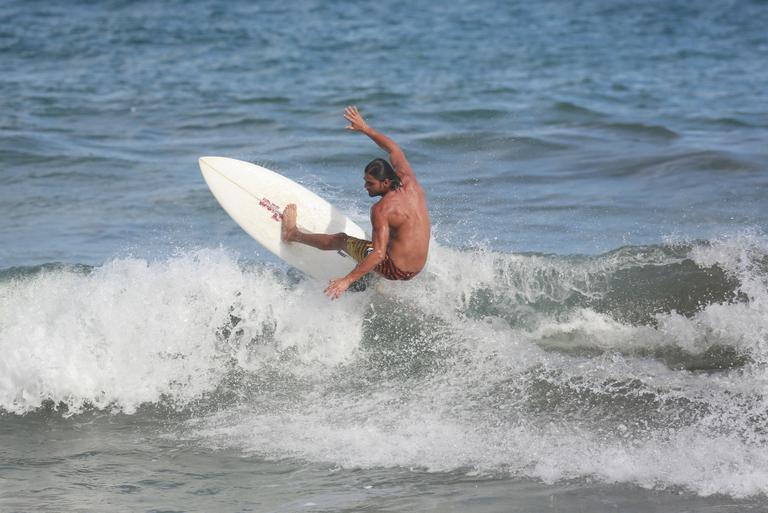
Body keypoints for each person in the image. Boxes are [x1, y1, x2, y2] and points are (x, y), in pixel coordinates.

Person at [281, 105, 431, 300]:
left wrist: (346, 280)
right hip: (418, 268)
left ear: (385, 182)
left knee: (342, 240)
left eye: (370, 183)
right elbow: (394, 149)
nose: (365, 187)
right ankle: (369, 274)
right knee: (382, 238)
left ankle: (292, 234)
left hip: (396, 270)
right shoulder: (410, 183)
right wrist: (365, 128)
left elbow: (378, 254)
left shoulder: (381, 209)